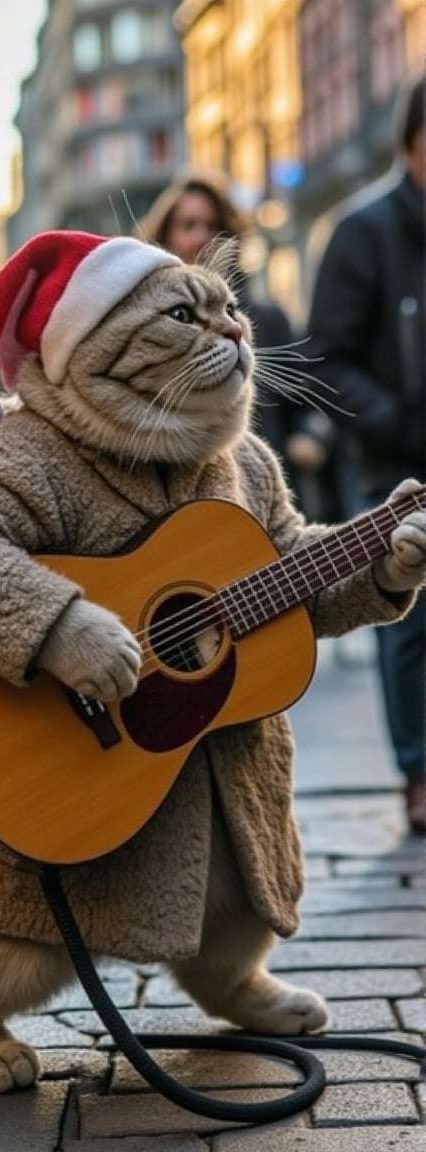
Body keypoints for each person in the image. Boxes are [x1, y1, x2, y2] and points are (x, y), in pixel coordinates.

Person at [305, 74, 425, 833]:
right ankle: (419, 774)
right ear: (414, 141)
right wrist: (397, 422)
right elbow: (326, 359)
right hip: (399, 465)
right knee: (412, 623)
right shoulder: (364, 232)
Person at [136, 168, 339, 519]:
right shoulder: (144, 326)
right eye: (189, 225)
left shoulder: (267, 319)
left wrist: (311, 437)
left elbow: (307, 396)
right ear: (166, 238)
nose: (202, 238)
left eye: (212, 226)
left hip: (267, 502)